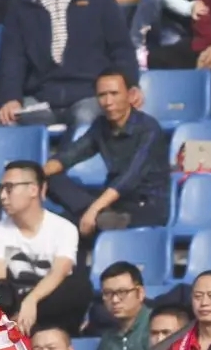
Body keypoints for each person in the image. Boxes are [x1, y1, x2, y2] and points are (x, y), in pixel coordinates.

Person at [0, 0, 131, 129]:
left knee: (88, 119)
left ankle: (66, 154)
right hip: (39, 97)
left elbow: (121, 48)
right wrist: (10, 98)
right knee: (9, 120)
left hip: (89, 94)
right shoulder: (21, 5)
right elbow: (12, 58)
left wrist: (129, 85)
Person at [45, 71, 169, 235]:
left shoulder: (149, 129)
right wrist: (32, 176)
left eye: (114, 94)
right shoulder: (101, 125)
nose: (108, 102)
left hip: (144, 203)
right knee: (51, 177)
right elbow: (71, 154)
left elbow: (130, 178)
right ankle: (102, 217)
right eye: (102, 95)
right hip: (113, 203)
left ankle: (102, 218)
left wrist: (94, 209)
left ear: (131, 95)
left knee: (70, 226)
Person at [0, 159, 93, 336]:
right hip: (16, 299)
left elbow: (59, 272)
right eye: (1, 189)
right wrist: (17, 306)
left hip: (50, 298)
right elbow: (0, 283)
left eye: (9, 188)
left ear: (34, 189)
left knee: (79, 287)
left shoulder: (64, 228)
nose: (3, 196)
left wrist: (32, 300)